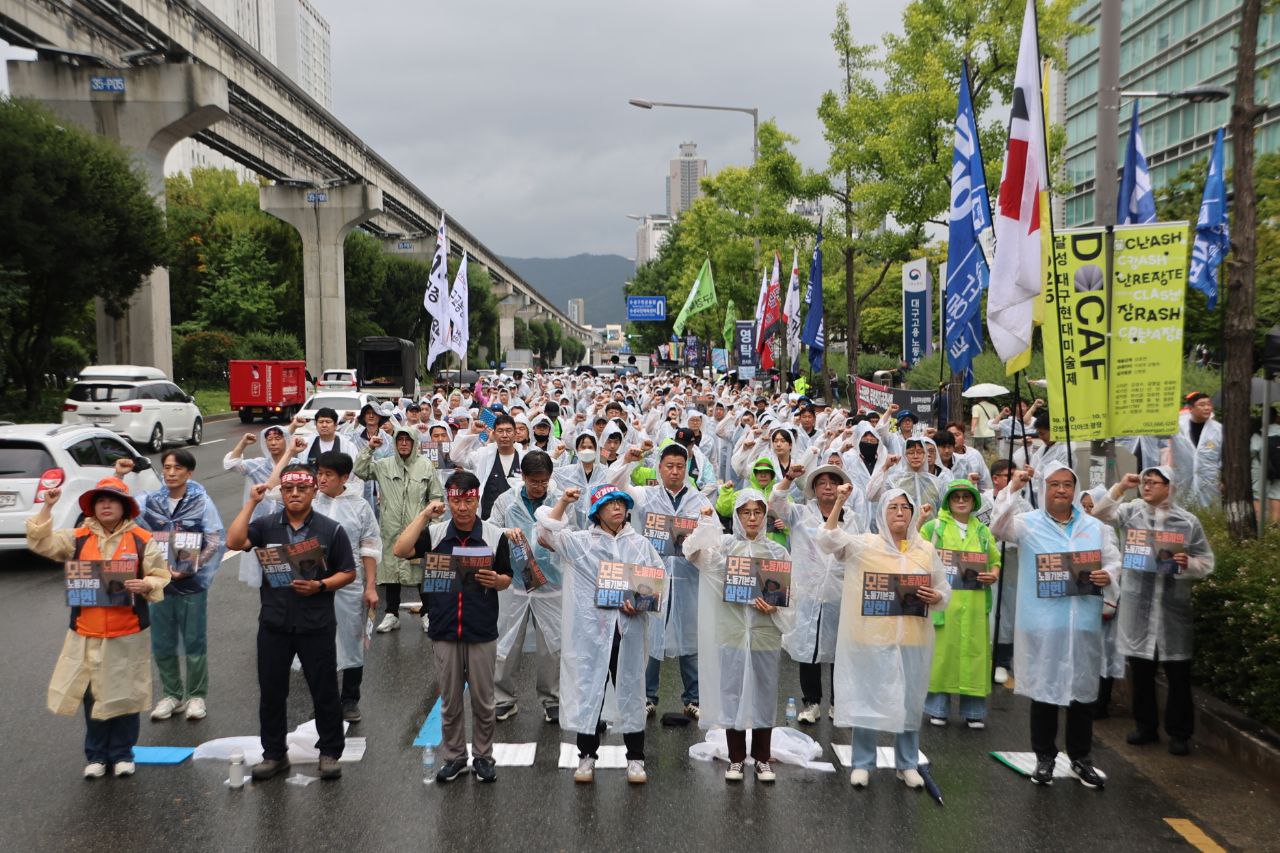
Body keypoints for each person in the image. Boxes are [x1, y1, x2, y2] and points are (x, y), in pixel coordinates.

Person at [27, 477, 170, 779]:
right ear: (93, 507)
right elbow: (41, 541)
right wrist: (47, 506)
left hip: (128, 631)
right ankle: (96, 755)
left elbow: (160, 575)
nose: (106, 505)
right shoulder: (78, 537)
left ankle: (122, 754)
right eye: (100, 500)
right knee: (92, 694)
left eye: (112, 500)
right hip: (86, 631)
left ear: (124, 506)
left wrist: (147, 583)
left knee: (126, 693)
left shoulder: (143, 538)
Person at [991, 462, 1120, 789]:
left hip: (1083, 624)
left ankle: (1081, 757)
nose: (1061, 490)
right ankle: (1045, 757)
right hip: (1043, 625)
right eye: (1054, 484)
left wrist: (1110, 576)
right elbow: (997, 527)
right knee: (1045, 693)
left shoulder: (1095, 528)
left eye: (1067, 484)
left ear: (1074, 490)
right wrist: (1014, 488)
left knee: (1082, 692)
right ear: (1045, 489)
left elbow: (1113, 561)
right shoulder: (1027, 525)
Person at [226, 464, 357, 782]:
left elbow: (348, 571)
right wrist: (252, 502)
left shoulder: (330, 529)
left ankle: (329, 752)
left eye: (302, 488)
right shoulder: (266, 526)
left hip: (316, 623)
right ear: (281, 492)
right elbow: (234, 541)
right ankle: (274, 754)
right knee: (271, 692)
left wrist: (321, 586)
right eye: (288, 489)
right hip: (274, 621)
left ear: (313, 490)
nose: (295, 494)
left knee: (323, 690)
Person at [816, 486, 949, 789]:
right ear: (881, 513)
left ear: (913, 513)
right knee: (868, 700)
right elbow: (827, 539)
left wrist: (937, 595)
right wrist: (839, 501)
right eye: (893, 507)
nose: (900, 512)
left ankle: (907, 763)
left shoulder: (925, 549)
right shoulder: (865, 544)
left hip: (911, 639)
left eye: (905, 507)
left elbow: (944, 589)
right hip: (871, 640)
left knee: (910, 702)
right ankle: (863, 762)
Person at [535, 483, 663, 785]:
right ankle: (587, 756)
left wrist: (641, 603)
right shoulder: (581, 544)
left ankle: (635, 758)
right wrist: (564, 503)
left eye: (620, 503)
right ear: (596, 512)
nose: (617, 508)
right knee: (589, 689)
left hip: (627, 632)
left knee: (632, 690)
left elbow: (656, 583)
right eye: (609, 504)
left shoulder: (640, 544)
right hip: (592, 633)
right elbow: (545, 534)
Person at [393, 471, 512, 784]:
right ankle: (456, 756)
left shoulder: (494, 534)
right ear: (447, 500)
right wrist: (422, 515)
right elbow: (400, 550)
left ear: (477, 498)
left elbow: (507, 576)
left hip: (481, 628)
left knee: (485, 701)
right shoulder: (434, 534)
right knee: (450, 699)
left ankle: (484, 757)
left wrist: (497, 581)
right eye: (456, 499)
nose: (462, 507)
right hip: (445, 628)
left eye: (469, 499)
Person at [1090, 468, 1215, 756]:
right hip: (1138, 608)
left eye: (1153, 483)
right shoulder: (1132, 512)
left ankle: (1180, 733)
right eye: (1145, 482)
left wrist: (1188, 563)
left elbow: (1206, 561)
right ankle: (1146, 727)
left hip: (1172, 609)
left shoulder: (1187, 521)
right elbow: (1100, 513)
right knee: (1142, 673)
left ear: (1169, 487)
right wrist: (1121, 487)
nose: (1147, 486)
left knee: (1177, 674)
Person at [684, 491, 794, 783]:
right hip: (731, 632)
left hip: (765, 633)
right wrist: (705, 526)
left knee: (765, 693)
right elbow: (692, 554)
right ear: (737, 516)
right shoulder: (724, 548)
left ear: (765, 515)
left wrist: (775, 606)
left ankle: (761, 758)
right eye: (746, 513)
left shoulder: (776, 553)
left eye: (758, 512)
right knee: (731, 693)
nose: (753, 518)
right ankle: (736, 758)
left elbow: (790, 595)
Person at [609, 442, 711, 718]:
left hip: (688, 576)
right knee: (651, 634)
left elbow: (712, 538)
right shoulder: (646, 495)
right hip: (651, 574)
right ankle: (647, 695)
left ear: (687, 469)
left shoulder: (700, 500)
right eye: (670, 466)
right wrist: (627, 461)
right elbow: (615, 487)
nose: (675, 472)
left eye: (680, 466)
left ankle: (694, 697)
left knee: (690, 635)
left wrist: (703, 530)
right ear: (660, 468)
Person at [768, 464, 867, 723]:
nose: (827, 486)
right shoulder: (800, 513)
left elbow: (859, 550)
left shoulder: (853, 518)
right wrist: (789, 477)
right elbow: (775, 502)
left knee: (839, 648)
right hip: (808, 590)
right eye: (821, 482)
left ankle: (838, 702)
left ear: (841, 488)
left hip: (839, 591)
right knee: (807, 647)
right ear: (813, 489)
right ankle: (811, 703)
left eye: (832, 482)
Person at [133, 449, 225, 723]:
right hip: (158, 582)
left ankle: (196, 696)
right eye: (167, 468)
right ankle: (172, 694)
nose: (171, 473)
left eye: (177, 468)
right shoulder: (151, 501)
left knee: (194, 638)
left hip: (190, 584)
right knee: (162, 640)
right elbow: (126, 517)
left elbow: (214, 539)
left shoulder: (201, 502)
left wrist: (189, 568)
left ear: (189, 472)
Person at [921, 480, 1001, 728]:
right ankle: (938, 708)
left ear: (974, 501)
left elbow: (995, 559)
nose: (962, 501)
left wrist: (994, 574)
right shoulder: (935, 528)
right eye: (956, 497)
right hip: (945, 602)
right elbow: (916, 551)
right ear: (948, 501)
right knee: (942, 655)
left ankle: (974, 711)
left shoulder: (982, 531)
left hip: (975, 602)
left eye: (967, 497)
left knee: (975, 655)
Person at [491, 451, 564, 723]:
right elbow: (490, 528)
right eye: (534, 481)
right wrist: (504, 533)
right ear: (523, 477)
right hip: (516, 581)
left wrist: (556, 542)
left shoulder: (558, 502)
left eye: (544, 481)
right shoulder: (506, 502)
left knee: (552, 644)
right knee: (507, 642)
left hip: (552, 582)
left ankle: (552, 699)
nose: (539, 487)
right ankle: (503, 698)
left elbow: (574, 534)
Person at [312, 451, 381, 723]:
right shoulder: (309, 501)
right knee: (317, 641)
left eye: (328, 474)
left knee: (352, 638)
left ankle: (350, 698)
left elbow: (370, 547)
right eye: (319, 473)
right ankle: (324, 699)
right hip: (313, 581)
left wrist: (371, 586)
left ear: (344, 477)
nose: (322, 479)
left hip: (349, 581)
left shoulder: (359, 506)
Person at [355, 424, 444, 634]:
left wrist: (433, 524)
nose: (404, 443)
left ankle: (427, 613)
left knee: (422, 572)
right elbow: (360, 470)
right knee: (391, 572)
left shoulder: (425, 466)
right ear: (394, 443)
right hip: (391, 528)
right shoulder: (383, 464)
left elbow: (436, 496)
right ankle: (391, 614)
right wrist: (370, 448)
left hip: (418, 530)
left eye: (408, 440)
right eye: (399, 440)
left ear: (414, 443)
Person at [224, 426, 291, 586]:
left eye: (278, 438)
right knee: (269, 573)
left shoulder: (296, 464)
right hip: (264, 525)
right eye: (269, 439)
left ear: (286, 440)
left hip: (290, 523)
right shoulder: (258, 465)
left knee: (292, 569)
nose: (273, 443)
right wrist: (243, 443)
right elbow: (231, 464)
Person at [1173, 392, 1221, 509]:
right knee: (1182, 511)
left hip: (1210, 482)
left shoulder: (1218, 430)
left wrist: (1223, 479)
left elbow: (1223, 457)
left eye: (1209, 404)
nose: (1207, 408)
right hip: (1182, 479)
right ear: (1191, 408)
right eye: (1202, 405)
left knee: (1210, 514)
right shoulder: (1178, 428)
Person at [1250, 408, 1280, 523]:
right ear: (1276, 417)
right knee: (1277, 497)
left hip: (1261, 471)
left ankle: (1260, 526)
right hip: (1278, 471)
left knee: (1258, 498)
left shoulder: (1259, 434)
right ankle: (1275, 528)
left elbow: (1252, 450)